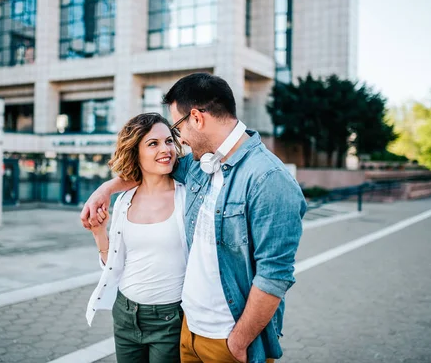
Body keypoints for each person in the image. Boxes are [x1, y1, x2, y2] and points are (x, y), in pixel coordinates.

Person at [82, 73, 307, 363]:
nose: (179, 142)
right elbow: (148, 169)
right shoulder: (202, 165)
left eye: (177, 128)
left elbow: (275, 276)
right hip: (189, 331)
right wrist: (106, 189)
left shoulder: (268, 179)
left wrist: (238, 343)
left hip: (228, 340)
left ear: (197, 119)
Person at [85, 113, 188, 363]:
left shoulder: (187, 198)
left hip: (170, 319)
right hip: (126, 314)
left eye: (168, 141)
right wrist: (99, 233)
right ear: (136, 152)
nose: (165, 149)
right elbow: (115, 265)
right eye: (153, 143)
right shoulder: (124, 201)